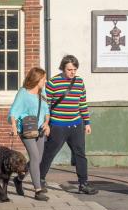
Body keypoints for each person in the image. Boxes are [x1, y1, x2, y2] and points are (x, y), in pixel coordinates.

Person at [39, 55, 97, 194]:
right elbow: (46, 106)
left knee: (80, 154)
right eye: (69, 69)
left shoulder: (79, 82)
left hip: (76, 125)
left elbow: (82, 103)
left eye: (74, 70)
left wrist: (87, 122)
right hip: (58, 125)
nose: (72, 72)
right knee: (49, 153)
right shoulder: (53, 83)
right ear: (63, 68)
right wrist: (46, 124)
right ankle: (40, 179)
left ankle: (83, 184)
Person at [8, 67, 51, 201]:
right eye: (43, 79)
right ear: (37, 79)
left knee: (37, 159)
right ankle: (37, 190)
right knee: (35, 157)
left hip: (40, 129)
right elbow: (13, 111)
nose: (45, 81)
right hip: (26, 129)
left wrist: (47, 123)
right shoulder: (23, 93)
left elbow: (46, 109)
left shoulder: (42, 91)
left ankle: (19, 179)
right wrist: (14, 126)